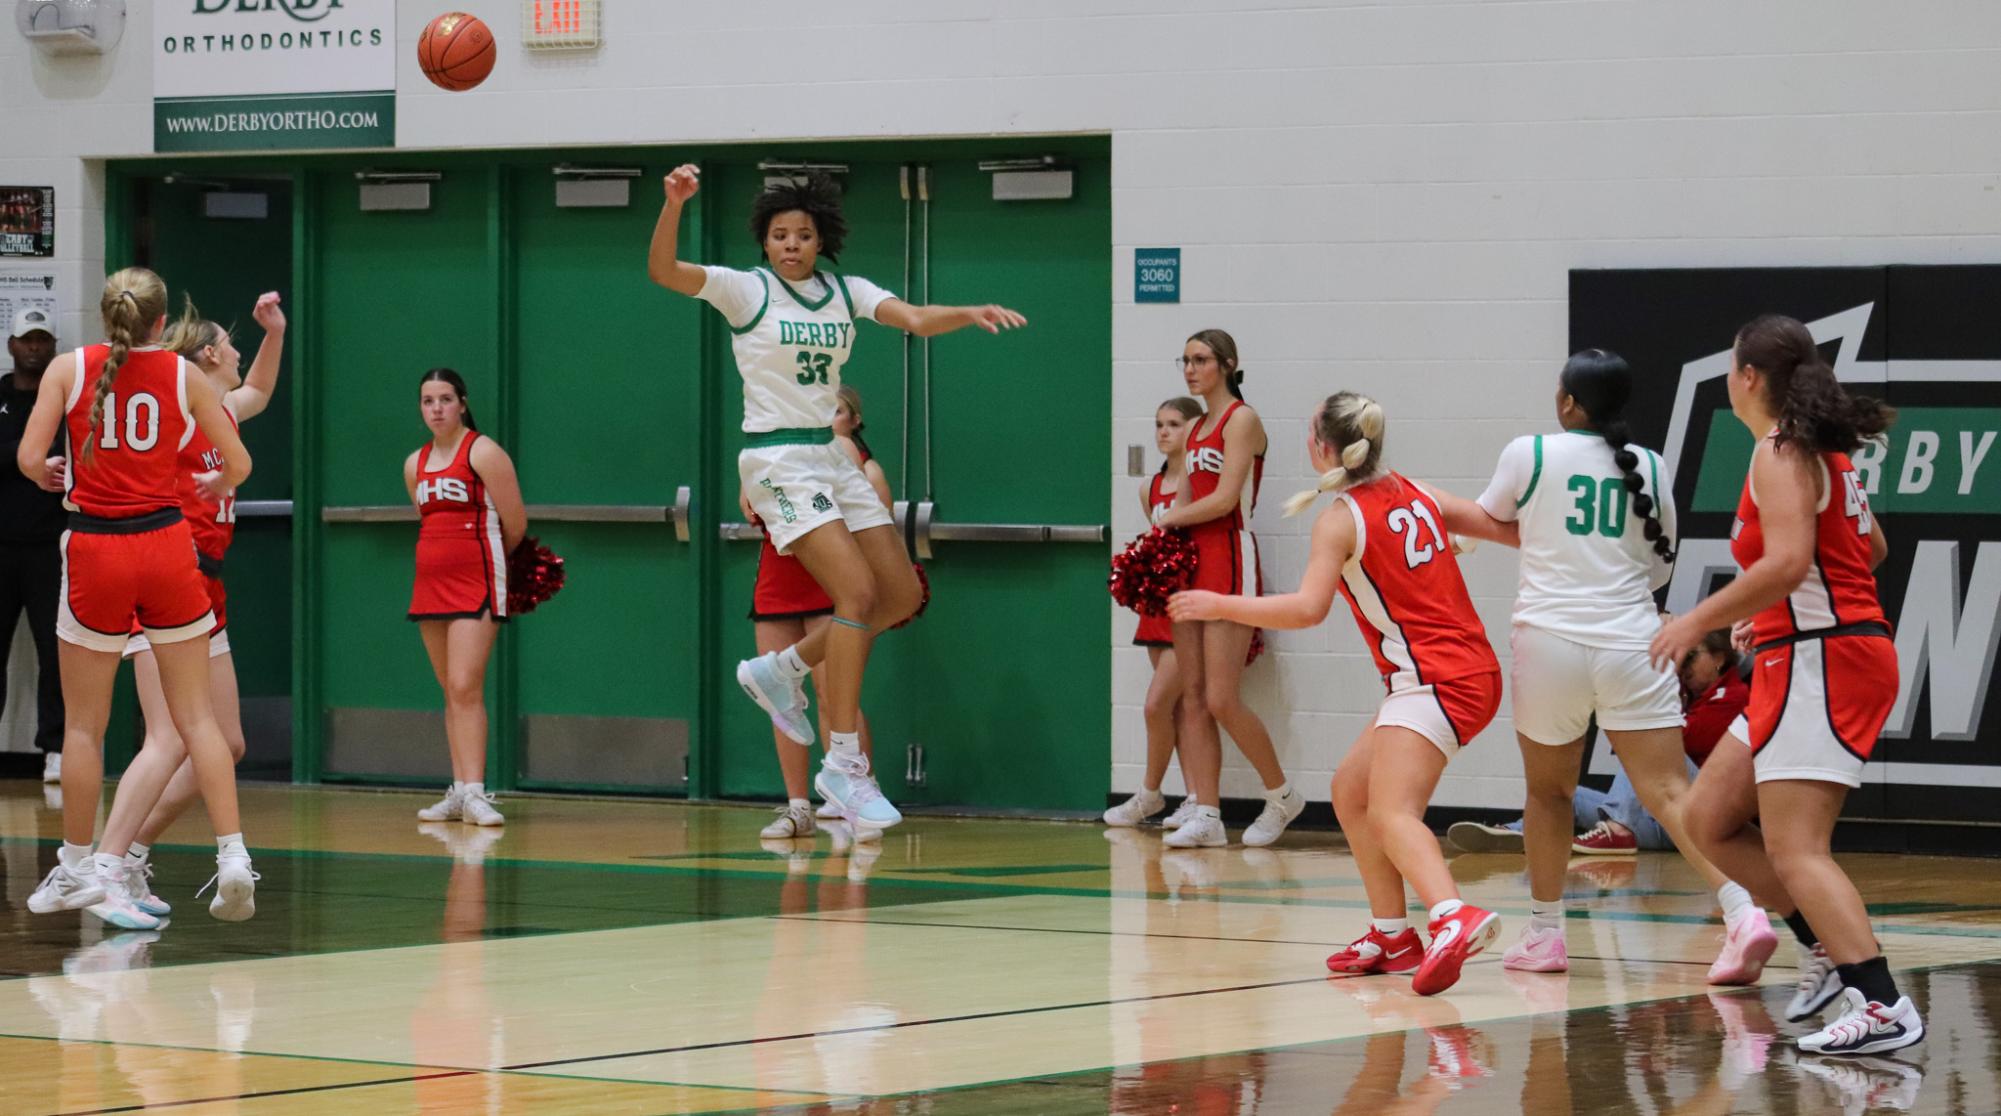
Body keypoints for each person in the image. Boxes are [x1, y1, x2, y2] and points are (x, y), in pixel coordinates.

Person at [648, 165, 1024, 833]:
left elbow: (910, 317)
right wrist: (674, 204)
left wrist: (965, 313)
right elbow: (665, 273)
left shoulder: (843, 291)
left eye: (802, 234)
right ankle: (842, 767)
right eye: (779, 234)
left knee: (900, 597)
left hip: (831, 455)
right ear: (763, 243)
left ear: (820, 242)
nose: (791, 244)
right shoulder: (746, 291)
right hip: (778, 458)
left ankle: (782, 670)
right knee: (852, 597)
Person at [1422, 350, 1766, 983]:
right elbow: (1659, 568)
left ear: (1568, 403)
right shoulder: (1654, 466)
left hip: (1550, 641)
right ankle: (1743, 911)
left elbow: (1483, 524)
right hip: (1635, 642)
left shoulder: (1529, 452)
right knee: (1669, 793)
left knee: (1548, 793)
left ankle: (1546, 936)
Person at [1171, 392, 1503, 996]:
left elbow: (1306, 610)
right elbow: (1502, 525)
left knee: (1391, 812)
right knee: (1351, 792)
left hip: (1436, 680)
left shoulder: (1340, 517)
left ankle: (1454, 917)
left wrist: (1217, 602)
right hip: (1457, 673)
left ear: (1321, 446)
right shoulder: (1419, 491)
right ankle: (1392, 934)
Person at [1655, 313, 1919, 1055]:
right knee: (1708, 820)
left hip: (1824, 662)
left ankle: (1882, 1003)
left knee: (1795, 847)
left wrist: (1696, 621)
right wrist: (1768, 616)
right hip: (1796, 653)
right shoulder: (1814, 451)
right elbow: (1867, 548)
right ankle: (1824, 949)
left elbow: (1789, 564)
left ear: (1745, 378)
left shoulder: (1780, 450)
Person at [16, 267, 257, 925]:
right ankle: (232, 854)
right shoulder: (184, 378)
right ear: (160, 324)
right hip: (166, 547)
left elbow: (29, 457)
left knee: (86, 726)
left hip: (97, 547)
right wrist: (213, 488)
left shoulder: (69, 369)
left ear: (105, 317)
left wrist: (48, 474)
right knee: (198, 722)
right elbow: (238, 465)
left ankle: (77, 865)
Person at [87, 294, 287, 922]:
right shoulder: (173, 412)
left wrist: (274, 332)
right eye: (231, 343)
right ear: (209, 354)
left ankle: (132, 856)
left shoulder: (219, 409)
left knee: (223, 745)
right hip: (167, 578)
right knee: (169, 736)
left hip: (208, 591)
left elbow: (258, 388)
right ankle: (104, 865)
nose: (238, 352)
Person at [1154, 331, 1302, 848]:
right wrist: (1164, 539)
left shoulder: (1243, 419)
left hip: (1230, 555)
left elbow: (1224, 499)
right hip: (1192, 559)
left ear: (1228, 365)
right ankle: (1208, 814)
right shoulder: (1195, 429)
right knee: (1192, 696)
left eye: (1201, 360)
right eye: (1186, 361)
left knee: (1221, 697)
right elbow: (1189, 497)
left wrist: (1168, 519)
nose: (1191, 370)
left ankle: (1282, 796)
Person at [1448, 627, 1750, 856]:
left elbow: (1672, 740)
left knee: (1643, 740)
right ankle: (1519, 832)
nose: (1683, 667)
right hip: (1668, 820)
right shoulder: (1693, 701)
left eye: (1691, 657)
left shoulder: (1733, 696)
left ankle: (1619, 826)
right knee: (1568, 796)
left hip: (1702, 819)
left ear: (1721, 657)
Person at [754, 385, 889, 840]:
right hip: (778, 577)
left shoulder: (858, 464)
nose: (826, 417)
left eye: (836, 410)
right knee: (782, 700)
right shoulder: (771, 452)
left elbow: (873, 531)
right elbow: (751, 502)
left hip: (829, 581)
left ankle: (855, 789)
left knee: (835, 693)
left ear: (854, 420)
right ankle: (797, 806)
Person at [406, 368, 526, 828]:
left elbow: (514, 523)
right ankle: (457, 791)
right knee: (450, 689)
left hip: (477, 579)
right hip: (430, 582)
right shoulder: (414, 463)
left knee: (464, 685)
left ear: (462, 403)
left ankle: (476, 792)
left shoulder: (484, 451)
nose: (436, 408)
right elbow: (424, 517)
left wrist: (486, 562)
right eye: (427, 400)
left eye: (444, 399)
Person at [1104, 396, 1202, 830]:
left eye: (1174, 424)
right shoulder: (1150, 488)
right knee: (1175, 709)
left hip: (1192, 604)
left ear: (1195, 431)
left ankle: (1149, 793)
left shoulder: (1203, 485)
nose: (1164, 432)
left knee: (1155, 705)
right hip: (1160, 607)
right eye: (1159, 424)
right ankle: (1195, 797)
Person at [0, 306, 66, 783]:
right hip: (1, 545)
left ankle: (57, 749)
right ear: (12, 346)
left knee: (56, 652)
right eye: (28, 339)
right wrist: (27, 457)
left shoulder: (65, 400)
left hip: (50, 546)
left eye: (43, 340)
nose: (35, 348)